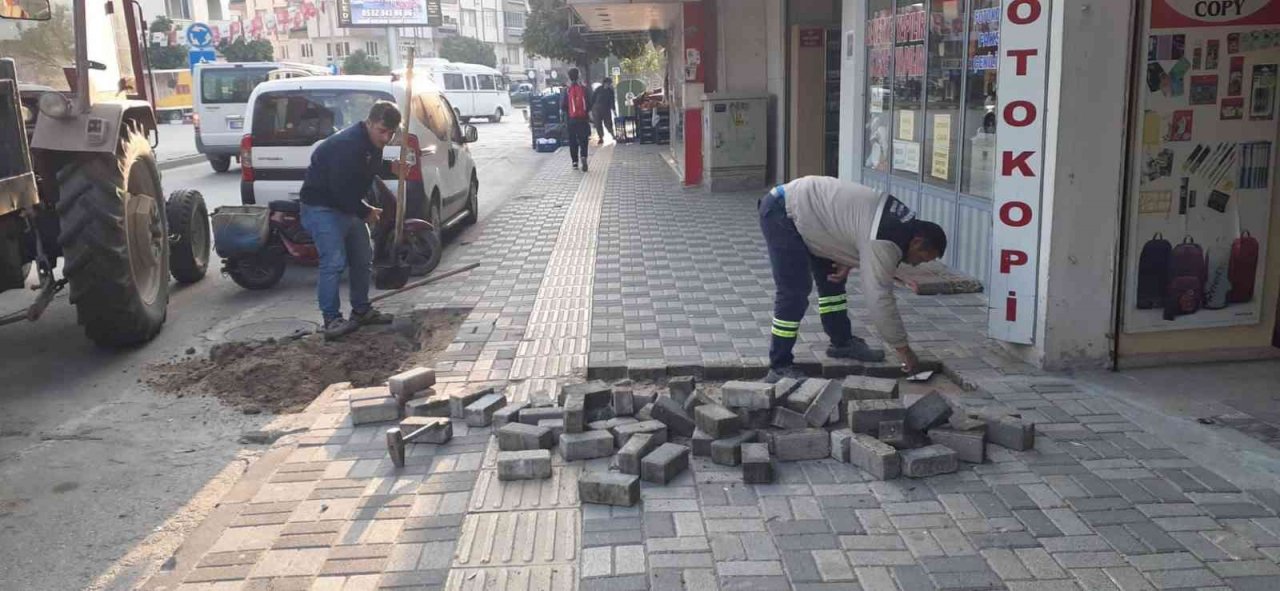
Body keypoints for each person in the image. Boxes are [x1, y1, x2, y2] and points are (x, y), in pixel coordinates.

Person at [758, 176, 947, 383]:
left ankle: (842, 343)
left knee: (832, 280)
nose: (916, 264)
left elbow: (856, 228)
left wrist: (846, 258)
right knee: (794, 292)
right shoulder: (887, 237)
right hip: (784, 211)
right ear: (917, 241)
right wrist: (903, 349)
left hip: (815, 216)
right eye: (921, 258)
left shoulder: (904, 223)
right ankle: (779, 365)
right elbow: (879, 298)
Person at [299, 101, 401, 340]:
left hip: (345, 205)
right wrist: (365, 211)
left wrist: (392, 167)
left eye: (391, 133)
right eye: (382, 131)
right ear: (369, 123)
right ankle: (331, 320)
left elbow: (369, 166)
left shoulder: (371, 142)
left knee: (363, 258)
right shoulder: (347, 145)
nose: (386, 138)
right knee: (333, 262)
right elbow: (340, 190)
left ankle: (361, 310)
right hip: (321, 206)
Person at [561, 68, 592, 172]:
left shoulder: (567, 90)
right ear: (578, 76)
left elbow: (563, 106)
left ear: (569, 77)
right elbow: (589, 103)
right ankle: (583, 156)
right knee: (583, 139)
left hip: (571, 120)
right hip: (583, 119)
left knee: (573, 141)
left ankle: (574, 162)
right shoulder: (584, 89)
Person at [590, 77, 616, 145]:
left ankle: (613, 135)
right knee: (598, 124)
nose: (608, 85)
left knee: (608, 123)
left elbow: (612, 101)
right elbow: (593, 99)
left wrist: (613, 109)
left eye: (609, 84)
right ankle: (601, 137)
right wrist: (591, 109)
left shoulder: (610, 91)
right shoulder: (598, 89)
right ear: (604, 83)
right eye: (608, 83)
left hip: (606, 109)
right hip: (597, 109)